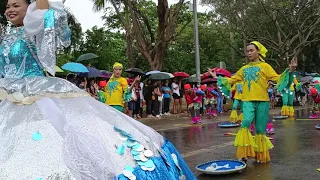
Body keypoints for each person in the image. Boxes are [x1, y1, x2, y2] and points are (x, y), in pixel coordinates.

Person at [0, 0, 195, 179]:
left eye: (16, 5)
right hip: (7, 96)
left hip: (37, 93)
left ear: (30, 8)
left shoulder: (34, 30)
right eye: (8, 6)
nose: (10, 10)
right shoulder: (6, 37)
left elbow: (43, 11)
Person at [208, 41, 297, 163]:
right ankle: (244, 154)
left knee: (260, 129)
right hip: (248, 100)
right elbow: (232, 80)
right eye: (248, 51)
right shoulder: (244, 69)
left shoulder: (265, 67)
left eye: (251, 50)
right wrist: (216, 77)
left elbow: (278, 78)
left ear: (258, 51)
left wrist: (291, 71)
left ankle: (260, 155)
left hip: (263, 101)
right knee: (246, 122)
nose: (249, 53)